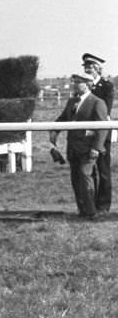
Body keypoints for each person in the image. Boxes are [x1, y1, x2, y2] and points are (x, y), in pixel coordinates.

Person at [50, 72, 109, 219]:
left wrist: (96, 147)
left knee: (85, 175)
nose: (75, 84)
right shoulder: (71, 102)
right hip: (73, 148)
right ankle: (82, 210)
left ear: (87, 84)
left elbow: (103, 127)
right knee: (76, 178)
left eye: (79, 82)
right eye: (74, 82)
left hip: (88, 149)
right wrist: (54, 131)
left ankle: (91, 212)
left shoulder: (97, 102)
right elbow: (63, 119)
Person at [82, 53, 114, 213]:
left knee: (103, 170)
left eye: (89, 67)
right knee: (89, 170)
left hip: (101, 134)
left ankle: (103, 205)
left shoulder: (106, 86)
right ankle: (91, 203)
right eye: (86, 67)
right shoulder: (83, 87)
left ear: (96, 68)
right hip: (86, 135)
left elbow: (105, 110)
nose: (87, 70)